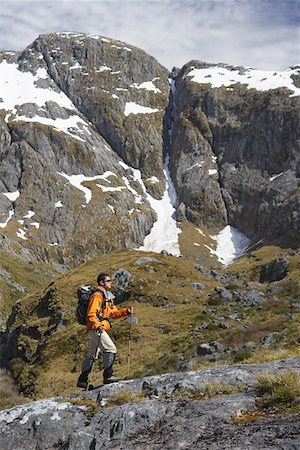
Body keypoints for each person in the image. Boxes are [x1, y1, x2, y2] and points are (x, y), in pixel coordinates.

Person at [77, 272, 133, 388]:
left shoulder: (106, 296)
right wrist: (97, 325)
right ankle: (108, 376)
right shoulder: (98, 295)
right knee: (110, 348)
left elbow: (112, 313)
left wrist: (125, 312)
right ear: (102, 282)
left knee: (92, 354)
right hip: (96, 328)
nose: (111, 282)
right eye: (108, 281)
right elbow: (91, 313)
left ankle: (82, 381)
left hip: (95, 327)